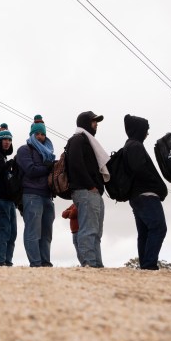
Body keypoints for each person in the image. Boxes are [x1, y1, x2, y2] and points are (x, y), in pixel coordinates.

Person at [122, 114, 168, 270]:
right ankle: (149, 265)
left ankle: (145, 266)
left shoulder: (131, 145)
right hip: (146, 195)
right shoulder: (135, 146)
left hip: (137, 196)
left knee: (145, 232)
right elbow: (139, 169)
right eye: (146, 130)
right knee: (158, 228)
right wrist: (158, 185)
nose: (147, 133)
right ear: (139, 130)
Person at [66, 111, 109, 268]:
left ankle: (97, 265)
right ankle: (89, 265)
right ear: (85, 123)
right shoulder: (78, 140)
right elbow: (76, 164)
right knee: (88, 230)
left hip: (93, 192)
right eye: (93, 121)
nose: (96, 124)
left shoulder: (88, 141)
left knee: (96, 232)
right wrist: (90, 185)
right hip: (86, 191)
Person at [17, 118, 55, 267]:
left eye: (42, 134)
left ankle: (45, 263)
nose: (40, 136)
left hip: (47, 196)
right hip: (31, 195)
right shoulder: (24, 150)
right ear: (32, 134)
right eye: (37, 133)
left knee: (46, 234)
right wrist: (49, 168)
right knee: (33, 232)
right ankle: (35, 263)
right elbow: (31, 170)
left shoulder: (49, 152)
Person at [0, 128, 17, 266]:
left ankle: (8, 261)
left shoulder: (3, 157)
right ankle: (0, 261)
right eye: (4, 139)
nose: (7, 142)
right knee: (4, 230)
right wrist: (9, 164)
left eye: (9, 140)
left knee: (12, 232)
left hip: (10, 200)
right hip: (0, 199)